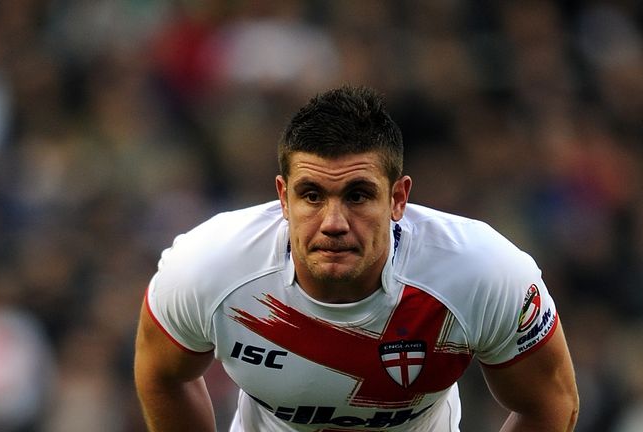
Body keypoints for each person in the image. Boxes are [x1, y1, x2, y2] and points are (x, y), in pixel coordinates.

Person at [134, 85, 579, 431]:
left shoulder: (482, 271)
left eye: (358, 195)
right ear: (283, 198)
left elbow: (551, 402)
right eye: (311, 195)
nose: (333, 222)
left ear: (398, 199)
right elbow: (161, 374)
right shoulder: (208, 266)